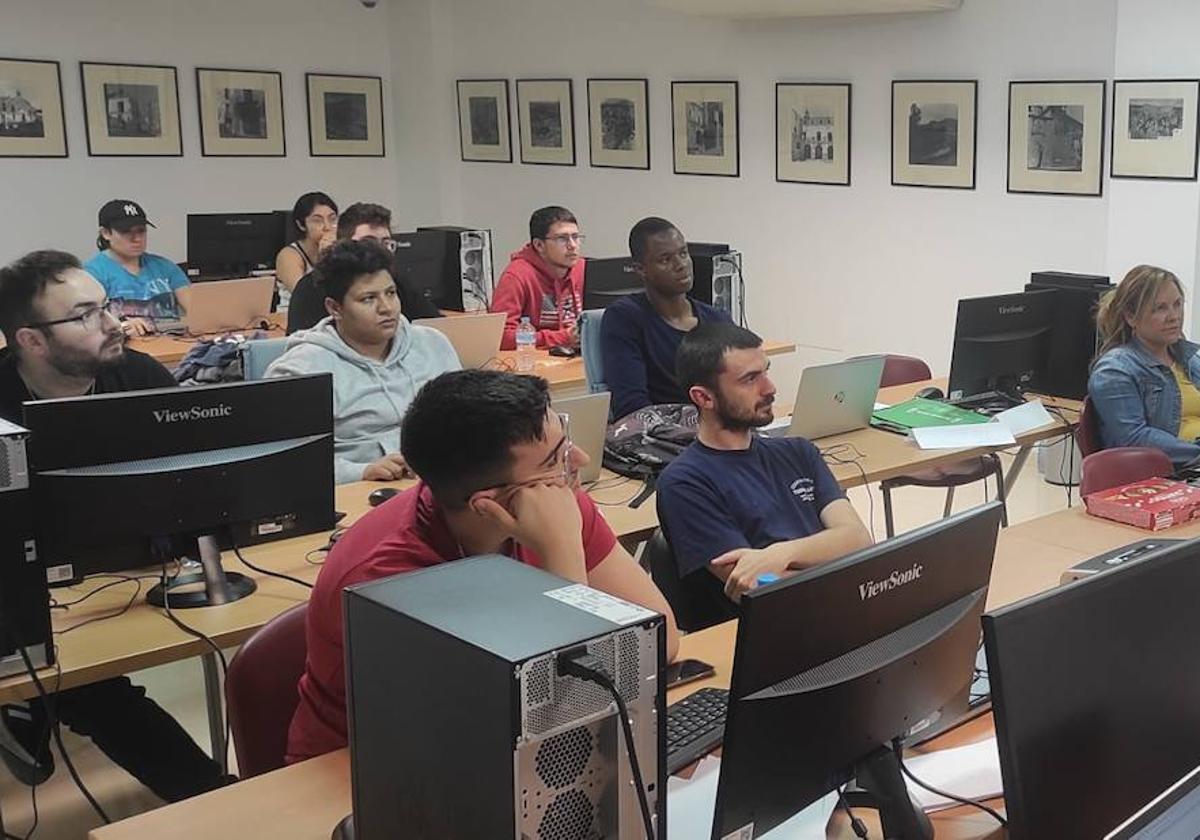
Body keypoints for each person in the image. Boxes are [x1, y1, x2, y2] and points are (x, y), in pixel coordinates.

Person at [285, 368, 680, 763]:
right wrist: (564, 559)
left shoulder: (553, 499)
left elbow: (662, 638)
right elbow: (532, 716)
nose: (580, 460)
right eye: (554, 459)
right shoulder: (387, 577)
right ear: (487, 505)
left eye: (566, 439)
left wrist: (564, 554)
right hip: (362, 770)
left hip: (488, 753)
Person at [0, 250, 229, 800]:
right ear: (30, 340)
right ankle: (211, 798)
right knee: (97, 693)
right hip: (22, 584)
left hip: (132, 567)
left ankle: (32, 709)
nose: (113, 324)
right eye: (86, 315)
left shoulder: (139, 376)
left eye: (106, 308)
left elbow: (194, 475)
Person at [656, 322, 872, 621]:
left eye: (766, 372)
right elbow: (763, 589)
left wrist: (779, 554)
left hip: (835, 615)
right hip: (771, 637)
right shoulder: (684, 483)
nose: (770, 388)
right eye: (749, 379)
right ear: (704, 398)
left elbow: (858, 539)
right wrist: (826, 550)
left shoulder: (799, 451)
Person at [266, 239, 460, 483]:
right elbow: (288, 463)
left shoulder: (432, 344)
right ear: (335, 308)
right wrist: (362, 471)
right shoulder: (301, 370)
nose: (387, 308)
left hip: (438, 481)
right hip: (358, 492)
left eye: (391, 293)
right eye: (368, 299)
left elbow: (465, 423)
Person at [600, 217, 732, 420]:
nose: (681, 265)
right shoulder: (625, 318)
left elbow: (739, 387)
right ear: (640, 269)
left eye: (683, 253)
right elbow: (632, 407)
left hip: (721, 432)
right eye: (665, 259)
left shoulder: (717, 320)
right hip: (662, 438)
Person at [1089, 264, 1200, 468]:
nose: (1174, 316)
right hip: (1171, 474)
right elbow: (1133, 438)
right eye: (1161, 308)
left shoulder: (1190, 356)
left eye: (1177, 304)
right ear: (1131, 317)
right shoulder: (1114, 371)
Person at [286, 201, 440, 334]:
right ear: (343, 244)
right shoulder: (311, 287)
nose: (380, 250)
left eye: (386, 243)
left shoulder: (397, 280)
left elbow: (436, 325)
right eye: (369, 242)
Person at [83, 199, 191, 337]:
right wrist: (121, 325)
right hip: (124, 350)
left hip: (171, 346)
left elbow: (199, 311)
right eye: (126, 232)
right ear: (106, 233)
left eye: (141, 231)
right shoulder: (93, 273)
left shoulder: (165, 266)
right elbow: (89, 323)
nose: (137, 238)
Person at [489, 205, 585, 350]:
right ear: (539, 245)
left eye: (575, 237)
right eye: (562, 239)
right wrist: (562, 338)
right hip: (537, 361)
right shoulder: (516, 276)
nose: (572, 245)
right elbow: (500, 336)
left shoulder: (583, 268)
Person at [275, 192, 338, 309]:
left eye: (332, 219)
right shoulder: (289, 255)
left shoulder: (339, 250)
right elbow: (304, 295)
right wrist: (323, 259)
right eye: (317, 221)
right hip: (294, 317)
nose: (327, 226)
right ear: (301, 225)